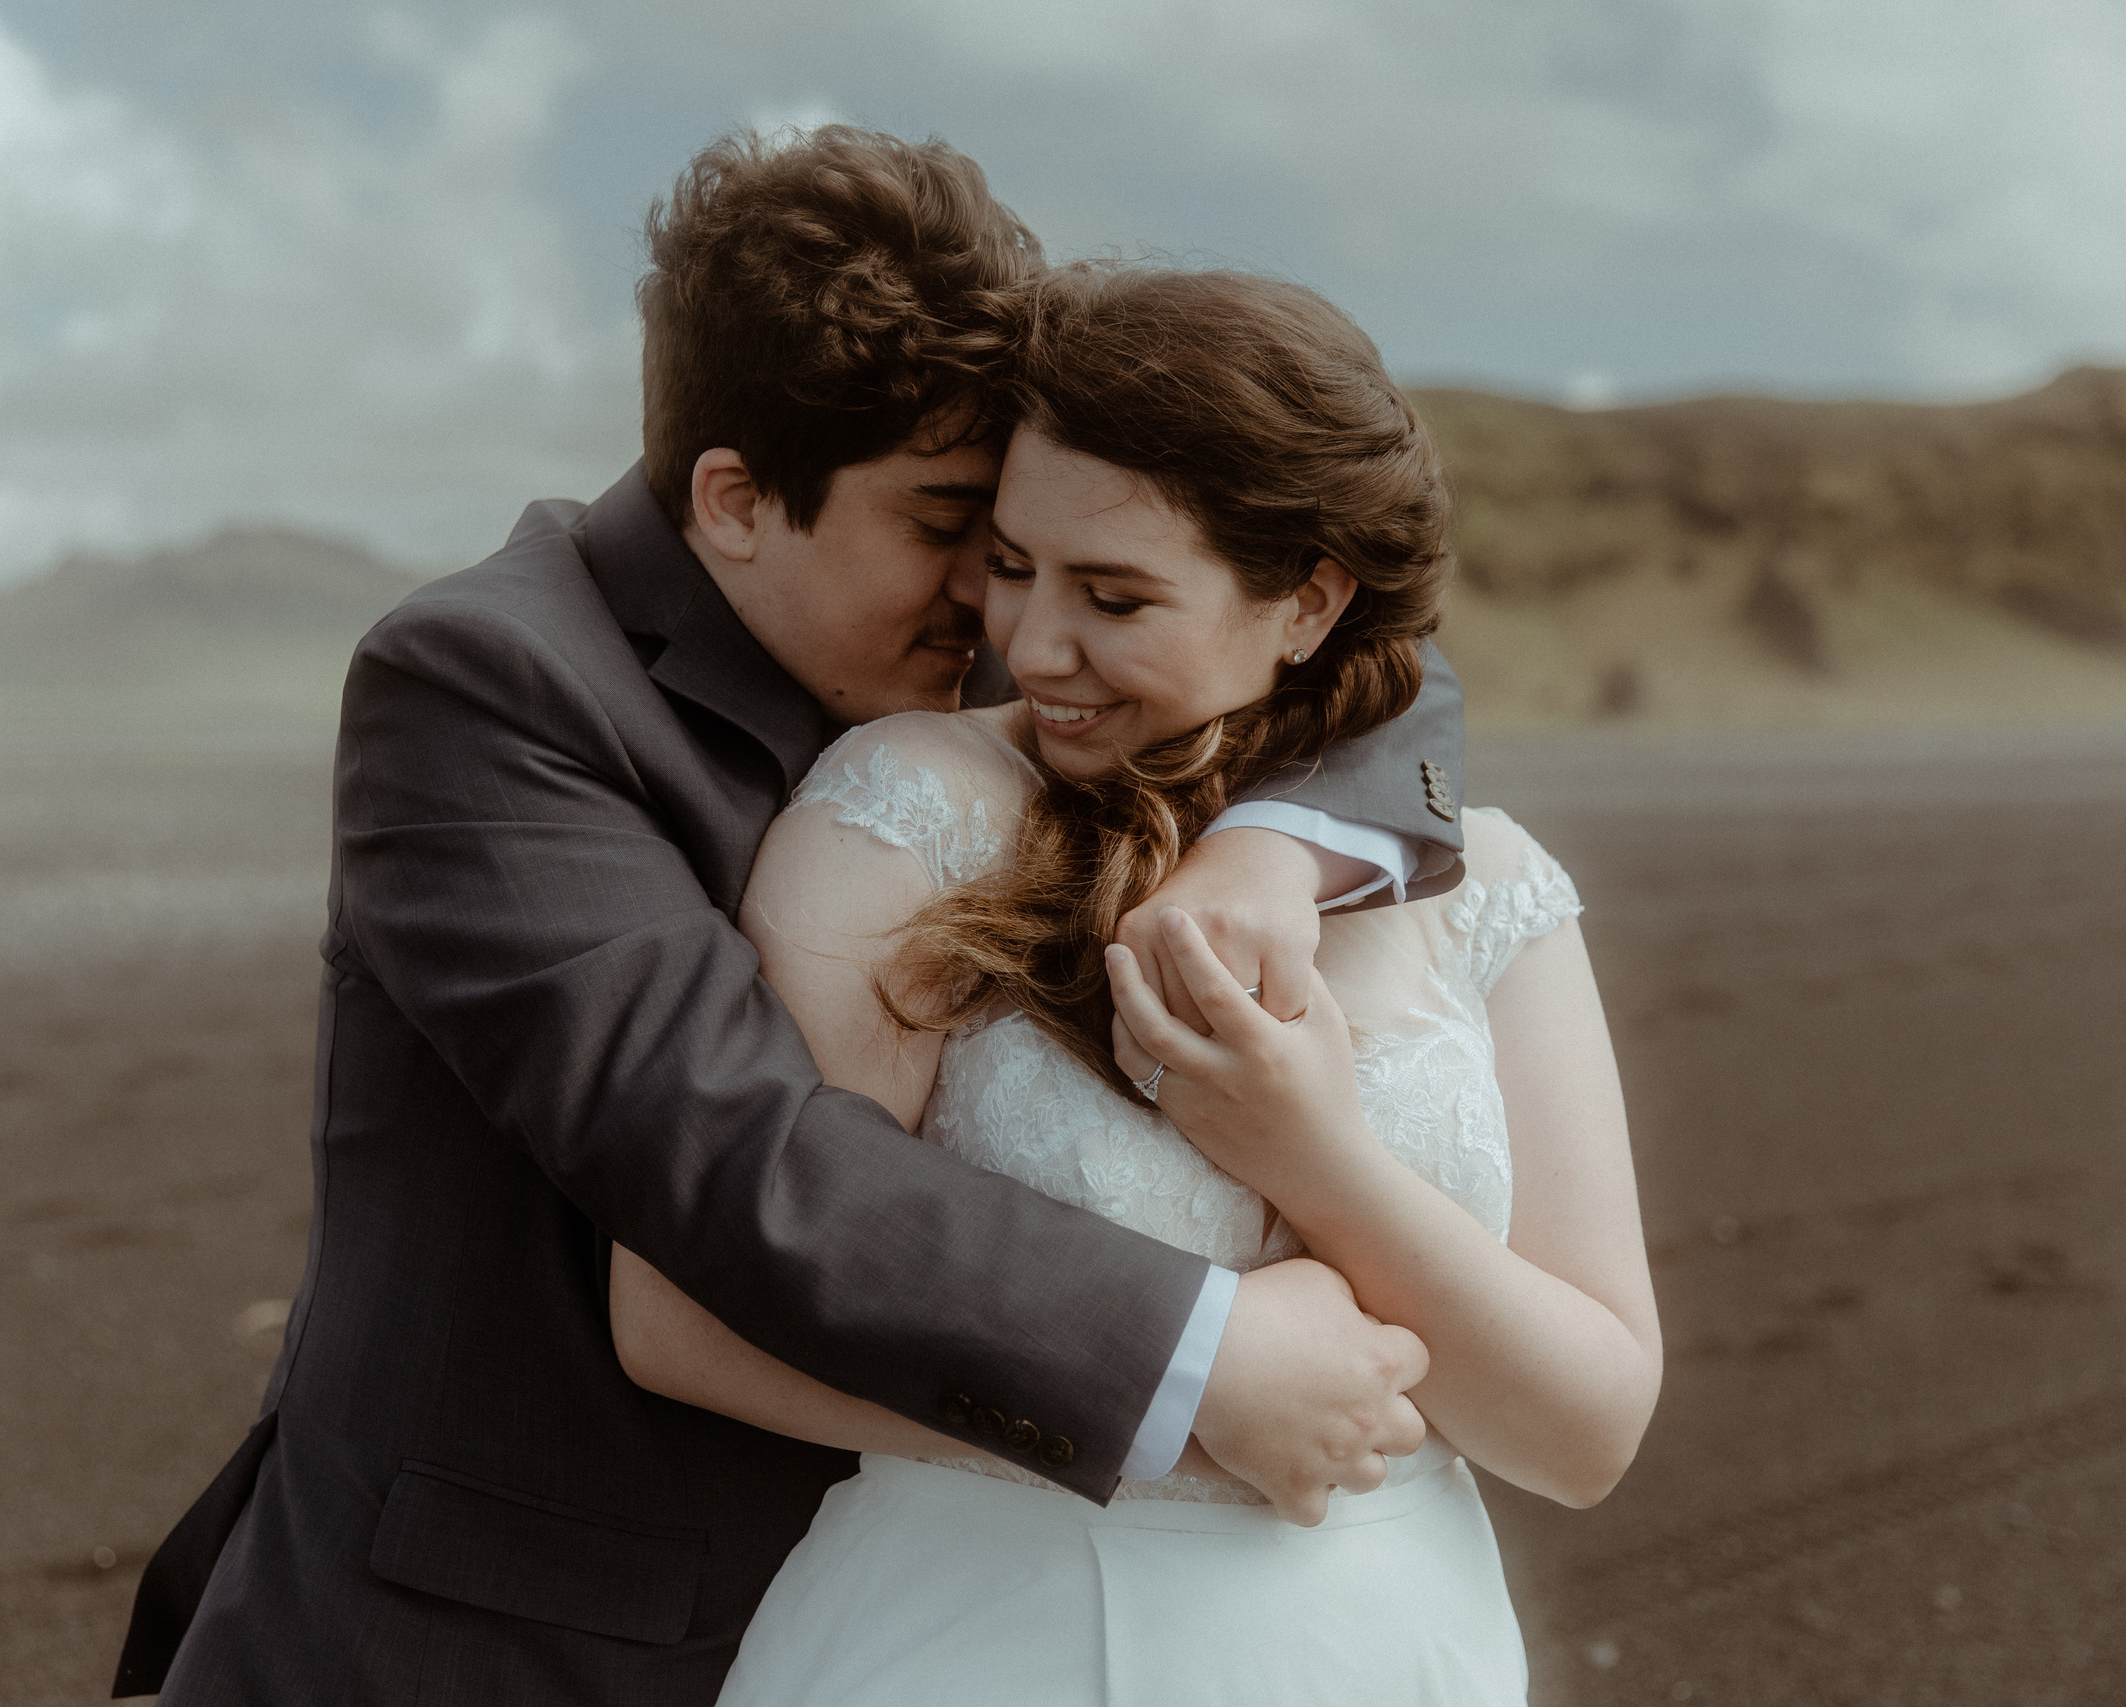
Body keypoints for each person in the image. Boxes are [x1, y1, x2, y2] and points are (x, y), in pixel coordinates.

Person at [113, 130, 1474, 1704]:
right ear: (737, 498)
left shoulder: (982, 635)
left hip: (881, 1619)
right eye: (954, 526)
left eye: (1031, 550)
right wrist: (1200, 1358)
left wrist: (1275, 853)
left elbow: (1378, 659)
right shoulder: (487, 687)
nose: (1007, 607)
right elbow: (732, 1143)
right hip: (498, 1637)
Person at [609, 263, 1664, 1704]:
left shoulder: (1483, 886)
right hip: (980, 1642)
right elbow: (685, 1316)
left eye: (1113, 596)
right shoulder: (911, 814)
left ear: (1307, 601)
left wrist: (1316, 1156)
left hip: (1399, 1648)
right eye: (1014, 563)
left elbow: (1586, 1433)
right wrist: (1179, 1409)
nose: (1031, 646)